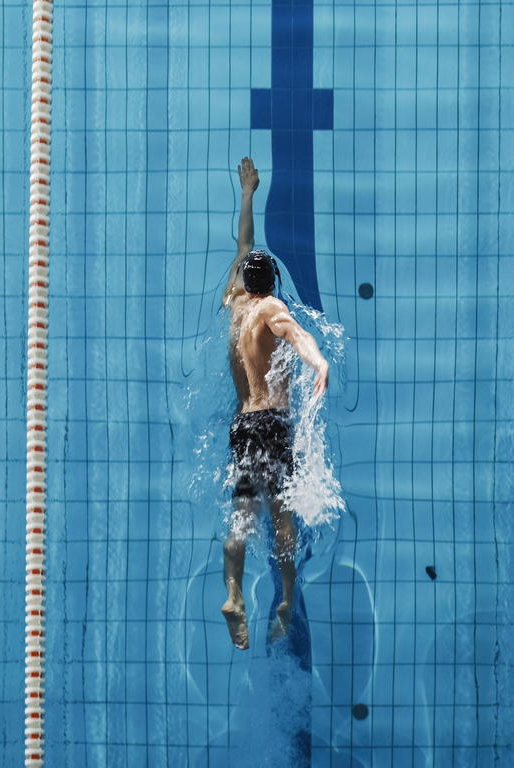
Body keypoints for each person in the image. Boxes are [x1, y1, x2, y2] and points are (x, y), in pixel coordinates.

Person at [219, 157, 330, 650]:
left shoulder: (237, 304)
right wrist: (318, 362)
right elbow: (298, 334)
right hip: (272, 423)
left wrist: (247, 193)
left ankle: (233, 594)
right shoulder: (271, 308)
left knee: (242, 514)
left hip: (242, 425)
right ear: (273, 285)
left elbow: (243, 246)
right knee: (282, 515)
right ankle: (286, 597)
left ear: (244, 280)